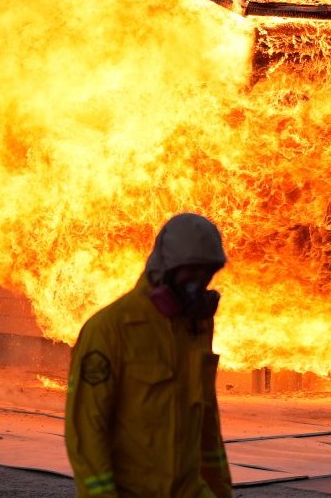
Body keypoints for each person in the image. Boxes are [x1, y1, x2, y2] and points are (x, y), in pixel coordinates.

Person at [65, 213, 232, 497]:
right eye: (191, 272)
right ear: (165, 269)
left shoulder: (196, 325)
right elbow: (87, 427)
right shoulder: (109, 329)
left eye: (207, 273)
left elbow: (206, 419)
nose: (200, 283)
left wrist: (220, 490)